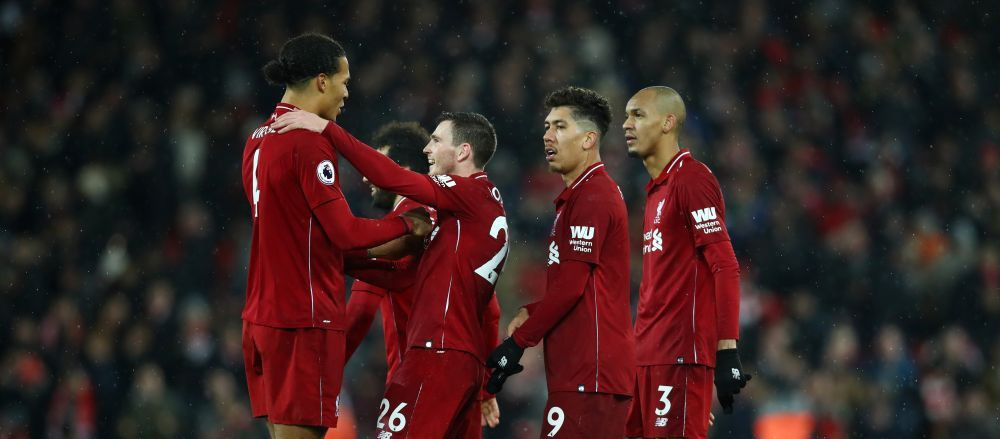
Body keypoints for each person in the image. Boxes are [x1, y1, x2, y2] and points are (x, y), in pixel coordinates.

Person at [272, 110, 508, 438]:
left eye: (436, 140)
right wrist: (485, 386)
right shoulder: (464, 217)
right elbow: (408, 279)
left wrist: (328, 130)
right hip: (461, 364)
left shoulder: (463, 196)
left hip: (434, 354)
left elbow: (391, 177)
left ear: (463, 151)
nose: (427, 149)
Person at [240, 33, 430, 439]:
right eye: (344, 82)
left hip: (261, 316)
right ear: (322, 81)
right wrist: (406, 225)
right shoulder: (307, 142)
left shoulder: (256, 140)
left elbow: (300, 236)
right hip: (303, 317)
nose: (347, 93)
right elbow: (343, 232)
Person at [486, 86, 636, 438]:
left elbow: (571, 288)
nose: (547, 135)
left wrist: (519, 343)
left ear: (588, 139)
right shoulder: (580, 196)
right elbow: (584, 288)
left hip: (592, 374)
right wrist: (533, 311)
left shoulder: (594, 196)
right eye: (546, 126)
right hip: (585, 374)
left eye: (560, 126)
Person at [339, 121, 504, 431]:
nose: (366, 177)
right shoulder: (455, 225)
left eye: (379, 164)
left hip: (423, 366)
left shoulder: (407, 224)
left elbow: (360, 312)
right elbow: (491, 311)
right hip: (464, 373)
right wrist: (485, 386)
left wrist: (322, 373)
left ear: (400, 170)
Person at [621, 86, 750, 439]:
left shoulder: (692, 179)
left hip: (679, 355)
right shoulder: (655, 191)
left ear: (667, 122)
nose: (626, 124)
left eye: (638, 115)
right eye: (627, 116)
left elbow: (725, 266)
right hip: (646, 359)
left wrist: (726, 351)